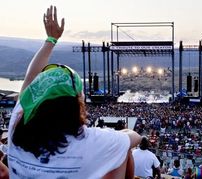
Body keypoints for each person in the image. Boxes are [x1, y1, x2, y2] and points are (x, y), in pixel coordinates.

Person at [7, 6, 141, 179]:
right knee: (121, 154)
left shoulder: (17, 126)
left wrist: (51, 39)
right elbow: (135, 137)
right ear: (77, 102)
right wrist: (118, 134)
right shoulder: (89, 141)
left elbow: (29, 79)